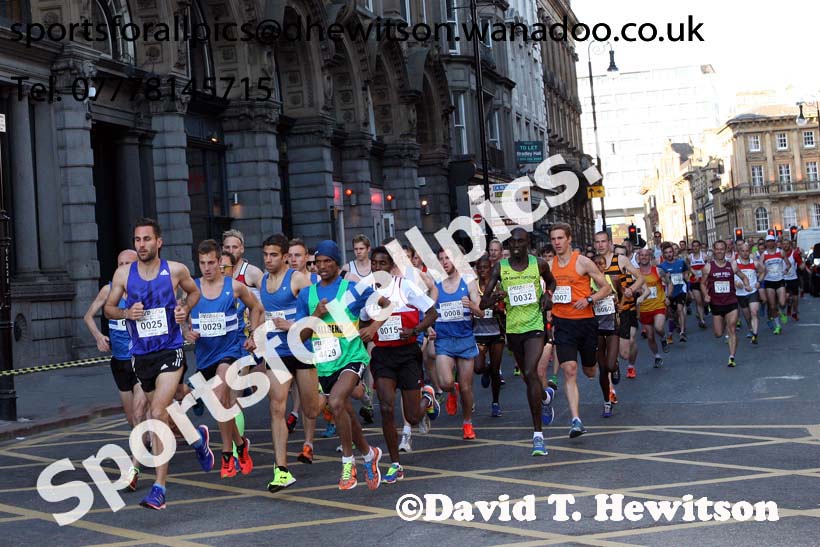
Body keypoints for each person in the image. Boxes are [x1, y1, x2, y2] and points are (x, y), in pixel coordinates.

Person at [104, 218, 203, 510]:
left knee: (157, 411)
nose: (142, 245)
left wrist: (185, 308)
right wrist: (126, 312)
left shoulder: (174, 270)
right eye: (137, 240)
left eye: (147, 239)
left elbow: (193, 291)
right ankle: (198, 440)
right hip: (141, 355)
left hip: (170, 350)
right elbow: (109, 309)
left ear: (158, 242)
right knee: (152, 413)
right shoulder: (123, 275)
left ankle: (159, 487)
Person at [295, 240, 388, 491]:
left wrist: (373, 327)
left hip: (352, 358)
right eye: (318, 262)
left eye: (328, 261)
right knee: (344, 413)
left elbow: (387, 305)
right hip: (325, 364)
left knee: (336, 402)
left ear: (337, 263)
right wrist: (315, 314)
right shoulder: (307, 295)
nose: (323, 266)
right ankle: (370, 455)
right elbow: (300, 336)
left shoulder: (352, 289)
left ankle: (348, 463)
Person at [184, 239, 262, 479]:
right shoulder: (192, 289)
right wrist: (186, 331)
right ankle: (240, 444)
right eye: (202, 263)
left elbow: (257, 308)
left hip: (230, 352)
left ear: (220, 262)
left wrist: (254, 335)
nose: (206, 268)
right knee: (225, 405)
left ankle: (227, 455)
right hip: (205, 355)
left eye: (211, 262)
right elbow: (180, 317)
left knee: (219, 398)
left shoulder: (234, 287)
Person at [362, 247, 439, 483]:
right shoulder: (367, 292)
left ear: (391, 266)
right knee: (386, 407)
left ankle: (428, 397)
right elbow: (361, 322)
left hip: (407, 354)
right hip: (383, 355)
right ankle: (395, 463)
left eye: (382, 263)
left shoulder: (404, 286)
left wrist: (415, 330)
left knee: (413, 417)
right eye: (374, 263)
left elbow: (432, 313)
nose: (377, 268)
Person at [480, 228, 557, 454]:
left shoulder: (539, 264)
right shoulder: (500, 268)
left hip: (535, 326)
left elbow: (551, 283)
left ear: (527, 243)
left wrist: (547, 296)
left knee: (532, 372)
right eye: (511, 242)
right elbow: (484, 302)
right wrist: (496, 297)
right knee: (527, 376)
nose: (515, 245)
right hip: (513, 330)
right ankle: (545, 396)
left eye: (520, 242)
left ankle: (538, 436)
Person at [260, 234, 323, 492]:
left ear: (285, 256)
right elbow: (264, 313)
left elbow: (317, 311)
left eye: (273, 255)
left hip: (302, 349)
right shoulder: (263, 281)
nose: (268, 260)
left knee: (311, 410)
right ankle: (281, 469)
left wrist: (293, 325)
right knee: (277, 407)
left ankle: (327, 395)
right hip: (276, 352)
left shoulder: (297, 279)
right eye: (265, 255)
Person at [83, 249, 146, 491]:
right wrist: (99, 336)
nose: (123, 267)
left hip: (141, 359)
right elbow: (88, 316)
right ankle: (149, 440)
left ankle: (133, 470)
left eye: (128, 263)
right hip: (119, 362)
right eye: (120, 263)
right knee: (132, 419)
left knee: (140, 414)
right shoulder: (109, 291)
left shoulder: (145, 290)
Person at [549, 223, 612, 439]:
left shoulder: (583, 262)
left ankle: (597, 364)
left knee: (589, 371)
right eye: (553, 239)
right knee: (570, 370)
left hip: (585, 323)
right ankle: (576, 420)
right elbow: (545, 290)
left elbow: (606, 287)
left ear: (568, 239)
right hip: (563, 323)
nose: (556, 242)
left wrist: (588, 299)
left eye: (560, 238)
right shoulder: (549, 266)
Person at [433, 246, 483, 440]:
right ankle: (450, 391)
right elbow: (429, 309)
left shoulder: (468, 281)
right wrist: (428, 326)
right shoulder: (436, 284)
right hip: (444, 339)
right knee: (445, 382)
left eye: (448, 258)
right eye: (441, 259)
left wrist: (471, 305)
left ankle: (467, 423)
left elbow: (480, 312)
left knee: (466, 387)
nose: (445, 262)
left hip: (464, 339)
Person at [594, 233, 645, 381]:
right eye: (597, 242)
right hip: (600, 313)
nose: (600, 245)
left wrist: (632, 289)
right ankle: (612, 366)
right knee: (603, 349)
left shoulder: (620, 260)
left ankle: (616, 362)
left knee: (624, 353)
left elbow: (640, 277)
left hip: (621, 311)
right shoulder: (591, 262)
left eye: (603, 241)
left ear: (610, 243)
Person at [701, 240, 751, 367]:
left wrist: (746, 285)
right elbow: (702, 283)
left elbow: (743, 276)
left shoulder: (732, 265)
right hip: (716, 304)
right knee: (718, 333)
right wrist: (706, 295)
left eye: (722, 249)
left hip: (731, 302)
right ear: (713, 250)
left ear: (725, 250)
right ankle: (723, 324)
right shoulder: (708, 267)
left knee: (732, 328)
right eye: (717, 249)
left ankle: (732, 356)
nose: (719, 251)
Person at [473, 256, 506, 417]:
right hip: (478, 333)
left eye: (485, 268)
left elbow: (504, 307)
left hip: (496, 332)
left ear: (491, 269)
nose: (482, 271)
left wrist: (499, 309)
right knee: (478, 367)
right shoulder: (473, 287)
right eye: (480, 268)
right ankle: (485, 371)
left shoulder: (497, 286)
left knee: (495, 369)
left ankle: (495, 402)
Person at [222, 230, 263, 354]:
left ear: (242, 249)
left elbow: (268, 299)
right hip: (229, 332)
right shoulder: (219, 272)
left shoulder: (252, 272)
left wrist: (258, 325)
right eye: (227, 247)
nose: (231, 250)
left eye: (234, 247)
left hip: (250, 330)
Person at [591, 254, 621, 418]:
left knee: (609, 365)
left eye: (601, 263)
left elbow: (621, 297)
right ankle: (606, 402)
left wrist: (618, 304)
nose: (598, 266)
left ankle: (615, 366)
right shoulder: (586, 283)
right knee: (602, 369)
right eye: (595, 263)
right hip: (596, 329)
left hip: (612, 327)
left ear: (605, 266)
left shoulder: (613, 279)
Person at [637, 248, 669, 368]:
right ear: (638, 258)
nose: (644, 257)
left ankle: (663, 337)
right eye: (641, 255)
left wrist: (667, 296)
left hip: (658, 305)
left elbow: (668, 282)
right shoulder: (635, 273)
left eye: (646, 255)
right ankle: (657, 356)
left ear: (650, 257)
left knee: (658, 327)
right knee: (650, 336)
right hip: (644, 308)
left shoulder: (658, 270)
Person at [658, 242, 689, 343]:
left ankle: (682, 332)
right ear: (663, 254)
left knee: (680, 309)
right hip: (669, 293)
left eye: (670, 252)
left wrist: (689, 288)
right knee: (671, 315)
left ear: (673, 252)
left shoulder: (681, 263)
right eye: (666, 253)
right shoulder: (661, 267)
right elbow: (660, 280)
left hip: (681, 290)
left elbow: (685, 275)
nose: (669, 254)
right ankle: (670, 333)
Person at [735, 242, 764, 344]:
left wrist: (759, 282)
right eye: (742, 251)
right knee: (747, 315)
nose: (745, 253)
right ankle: (750, 329)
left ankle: (755, 334)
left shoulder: (754, 263)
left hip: (752, 291)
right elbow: (728, 276)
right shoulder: (735, 263)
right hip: (740, 293)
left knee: (754, 312)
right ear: (739, 252)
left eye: (747, 251)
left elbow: (763, 271)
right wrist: (735, 282)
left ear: (749, 252)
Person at [760, 234, 790, 335]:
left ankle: (782, 312)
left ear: (774, 242)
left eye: (772, 241)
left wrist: (786, 269)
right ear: (766, 243)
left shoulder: (780, 252)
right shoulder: (764, 255)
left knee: (782, 303)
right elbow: (759, 268)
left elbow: (788, 264)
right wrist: (761, 272)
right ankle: (778, 326)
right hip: (769, 281)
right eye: (768, 241)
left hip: (780, 280)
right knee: (772, 306)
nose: (770, 243)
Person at [782, 239, 805, 321]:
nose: (785, 245)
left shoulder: (794, 254)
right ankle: (788, 305)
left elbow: (801, 264)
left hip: (793, 278)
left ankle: (794, 312)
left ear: (790, 245)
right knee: (787, 297)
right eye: (784, 244)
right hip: (783, 279)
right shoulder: (780, 254)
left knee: (795, 298)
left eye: (787, 244)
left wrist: (802, 264)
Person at [687, 240, 709, 329]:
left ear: (700, 247)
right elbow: (689, 267)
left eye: (697, 246)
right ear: (692, 247)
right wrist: (694, 273)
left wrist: (703, 273)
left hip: (704, 281)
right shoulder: (689, 257)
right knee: (698, 301)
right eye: (694, 246)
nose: (695, 248)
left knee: (705, 301)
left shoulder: (704, 256)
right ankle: (702, 319)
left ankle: (706, 307)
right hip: (694, 281)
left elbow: (708, 267)